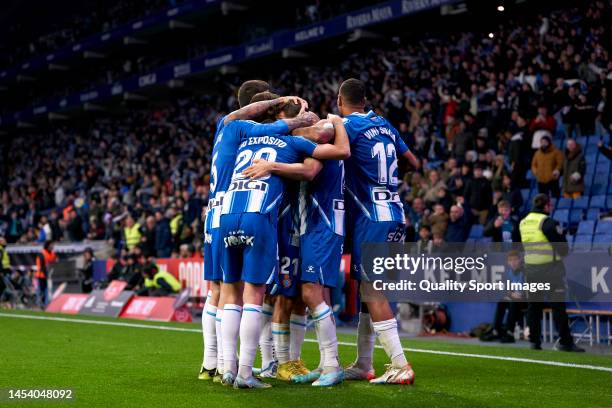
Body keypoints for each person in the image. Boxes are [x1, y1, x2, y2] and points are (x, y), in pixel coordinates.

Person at [217, 100, 346, 389]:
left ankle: (227, 366)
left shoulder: (239, 134)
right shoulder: (292, 142)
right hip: (265, 218)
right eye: (299, 114)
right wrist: (332, 122)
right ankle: (255, 370)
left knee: (234, 294)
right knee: (258, 296)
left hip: (227, 214)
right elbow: (329, 146)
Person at [199, 85, 319, 382]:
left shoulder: (229, 128)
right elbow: (302, 135)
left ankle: (216, 365)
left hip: (221, 211)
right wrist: (304, 118)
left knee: (221, 292)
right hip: (252, 212)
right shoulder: (260, 133)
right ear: (268, 110)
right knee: (253, 294)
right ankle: (244, 368)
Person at [336, 78, 418, 385]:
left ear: (339, 100)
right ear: (366, 99)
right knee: (367, 291)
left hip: (372, 216)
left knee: (372, 290)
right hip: (396, 213)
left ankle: (400, 364)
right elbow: (412, 161)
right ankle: (364, 363)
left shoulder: (347, 126)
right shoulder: (385, 125)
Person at [518, 194, 583, 352]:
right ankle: (565, 342)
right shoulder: (547, 222)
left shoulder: (523, 222)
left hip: (531, 271)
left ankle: (534, 342)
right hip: (550, 270)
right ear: (546, 206)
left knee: (533, 306)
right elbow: (563, 248)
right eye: (550, 205)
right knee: (558, 306)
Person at [480, 251, 526, 343]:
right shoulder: (509, 273)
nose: (513, 262)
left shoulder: (524, 272)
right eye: (510, 260)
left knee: (513, 302)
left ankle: (510, 333)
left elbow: (525, 293)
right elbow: (508, 291)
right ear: (508, 262)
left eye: (515, 260)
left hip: (527, 301)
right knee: (502, 302)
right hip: (515, 299)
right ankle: (496, 330)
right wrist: (511, 295)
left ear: (520, 260)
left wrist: (515, 295)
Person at [35, 240, 57, 307]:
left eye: (53, 245)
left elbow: (54, 263)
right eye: (51, 245)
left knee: (49, 290)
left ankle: (47, 304)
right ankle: (40, 304)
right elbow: (41, 265)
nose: (52, 246)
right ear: (47, 245)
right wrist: (46, 274)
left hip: (49, 275)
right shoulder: (42, 253)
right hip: (41, 275)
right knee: (41, 291)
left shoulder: (53, 254)